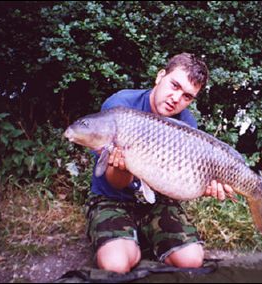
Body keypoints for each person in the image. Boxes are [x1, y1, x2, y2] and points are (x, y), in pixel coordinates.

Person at [86, 52, 235, 274]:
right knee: (115, 265)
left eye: (187, 96)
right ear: (160, 76)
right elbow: (115, 182)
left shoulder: (186, 124)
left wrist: (202, 187)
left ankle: (142, 237)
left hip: (157, 201)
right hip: (112, 198)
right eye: (174, 85)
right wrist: (123, 167)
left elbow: (175, 186)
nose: (177, 98)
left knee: (191, 260)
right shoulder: (121, 107)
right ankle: (132, 242)